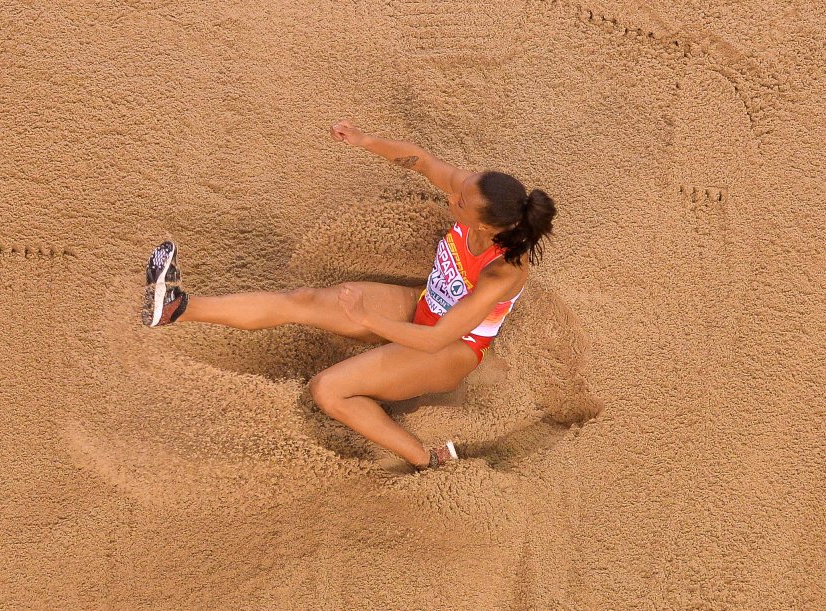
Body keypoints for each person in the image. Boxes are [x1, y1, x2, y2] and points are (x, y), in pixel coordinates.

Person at [140, 119, 556, 471]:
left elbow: (435, 339)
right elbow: (423, 161)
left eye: (460, 201)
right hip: (423, 304)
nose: (452, 195)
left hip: (450, 350)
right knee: (304, 299)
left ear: (487, 226)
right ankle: (176, 307)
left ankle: (427, 459)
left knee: (328, 390)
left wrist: (368, 318)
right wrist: (365, 141)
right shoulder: (475, 193)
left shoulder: (504, 272)